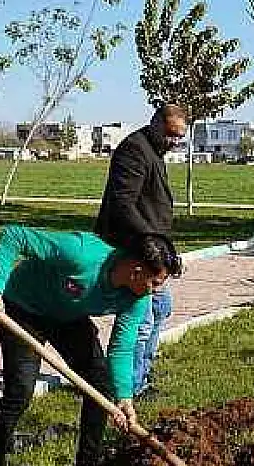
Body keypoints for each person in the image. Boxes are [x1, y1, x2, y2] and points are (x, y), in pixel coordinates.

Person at [0, 224, 182, 466]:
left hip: (68, 317)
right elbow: (13, 236)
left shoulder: (137, 298)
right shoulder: (81, 253)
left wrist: (124, 398)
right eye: (155, 281)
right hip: (24, 308)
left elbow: (121, 348)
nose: (157, 289)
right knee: (19, 393)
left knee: (100, 384)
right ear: (136, 269)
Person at [96, 103, 188, 398]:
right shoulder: (134, 150)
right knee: (141, 322)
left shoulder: (154, 152)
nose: (174, 143)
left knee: (161, 308)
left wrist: (166, 251)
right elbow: (123, 204)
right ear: (156, 124)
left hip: (152, 248)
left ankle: (142, 375)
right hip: (133, 247)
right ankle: (128, 387)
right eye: (171, 135)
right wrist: (150, 245)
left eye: (179, 138)